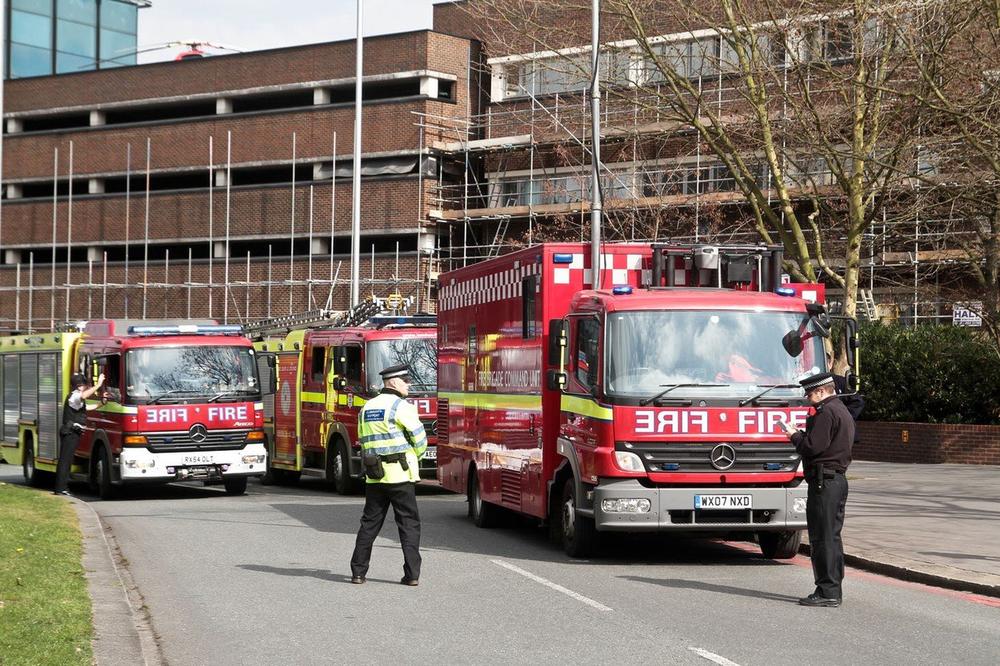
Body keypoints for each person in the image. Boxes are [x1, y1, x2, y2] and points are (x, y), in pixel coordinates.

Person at [350, 364, 428, 586]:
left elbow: (364, 441)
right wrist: (416, 455)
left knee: (369, 524)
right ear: (393, 382)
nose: (408, 384)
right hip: (401, 476)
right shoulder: (401, 406)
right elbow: (420, 440)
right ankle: (412, 575)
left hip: (375, 476)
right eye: (405, 380)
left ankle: (358, 572)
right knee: (409, 525)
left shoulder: (367, 408)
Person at [781, 371, 854, 607]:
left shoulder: (826, 412)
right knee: (831, 536)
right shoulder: (841, 409)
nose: (807, 397)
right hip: (836, 480)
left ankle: (827, 591)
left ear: (822, 391)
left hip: (825, 482)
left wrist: (794, 435)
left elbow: (813, 447)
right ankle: (833, 588)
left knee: (822, 539)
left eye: (810, 393)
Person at [53, 372, 106, 496]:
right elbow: (83, 396)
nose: (86, 387)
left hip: (73, 433)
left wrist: (101, 403)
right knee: (65, 461)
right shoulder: (74, 396)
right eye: (85, 385)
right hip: (70, 432)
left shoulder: (76, 397)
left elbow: (86, 408)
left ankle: (62, 488)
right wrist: (98, 385)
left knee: (67, 460)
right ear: (79, 385)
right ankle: (60, 489)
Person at [827, 351, 864, 442]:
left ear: (830, 364)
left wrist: (842, 418)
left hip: (841, 434)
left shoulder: (842, 382)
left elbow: (858, 402)